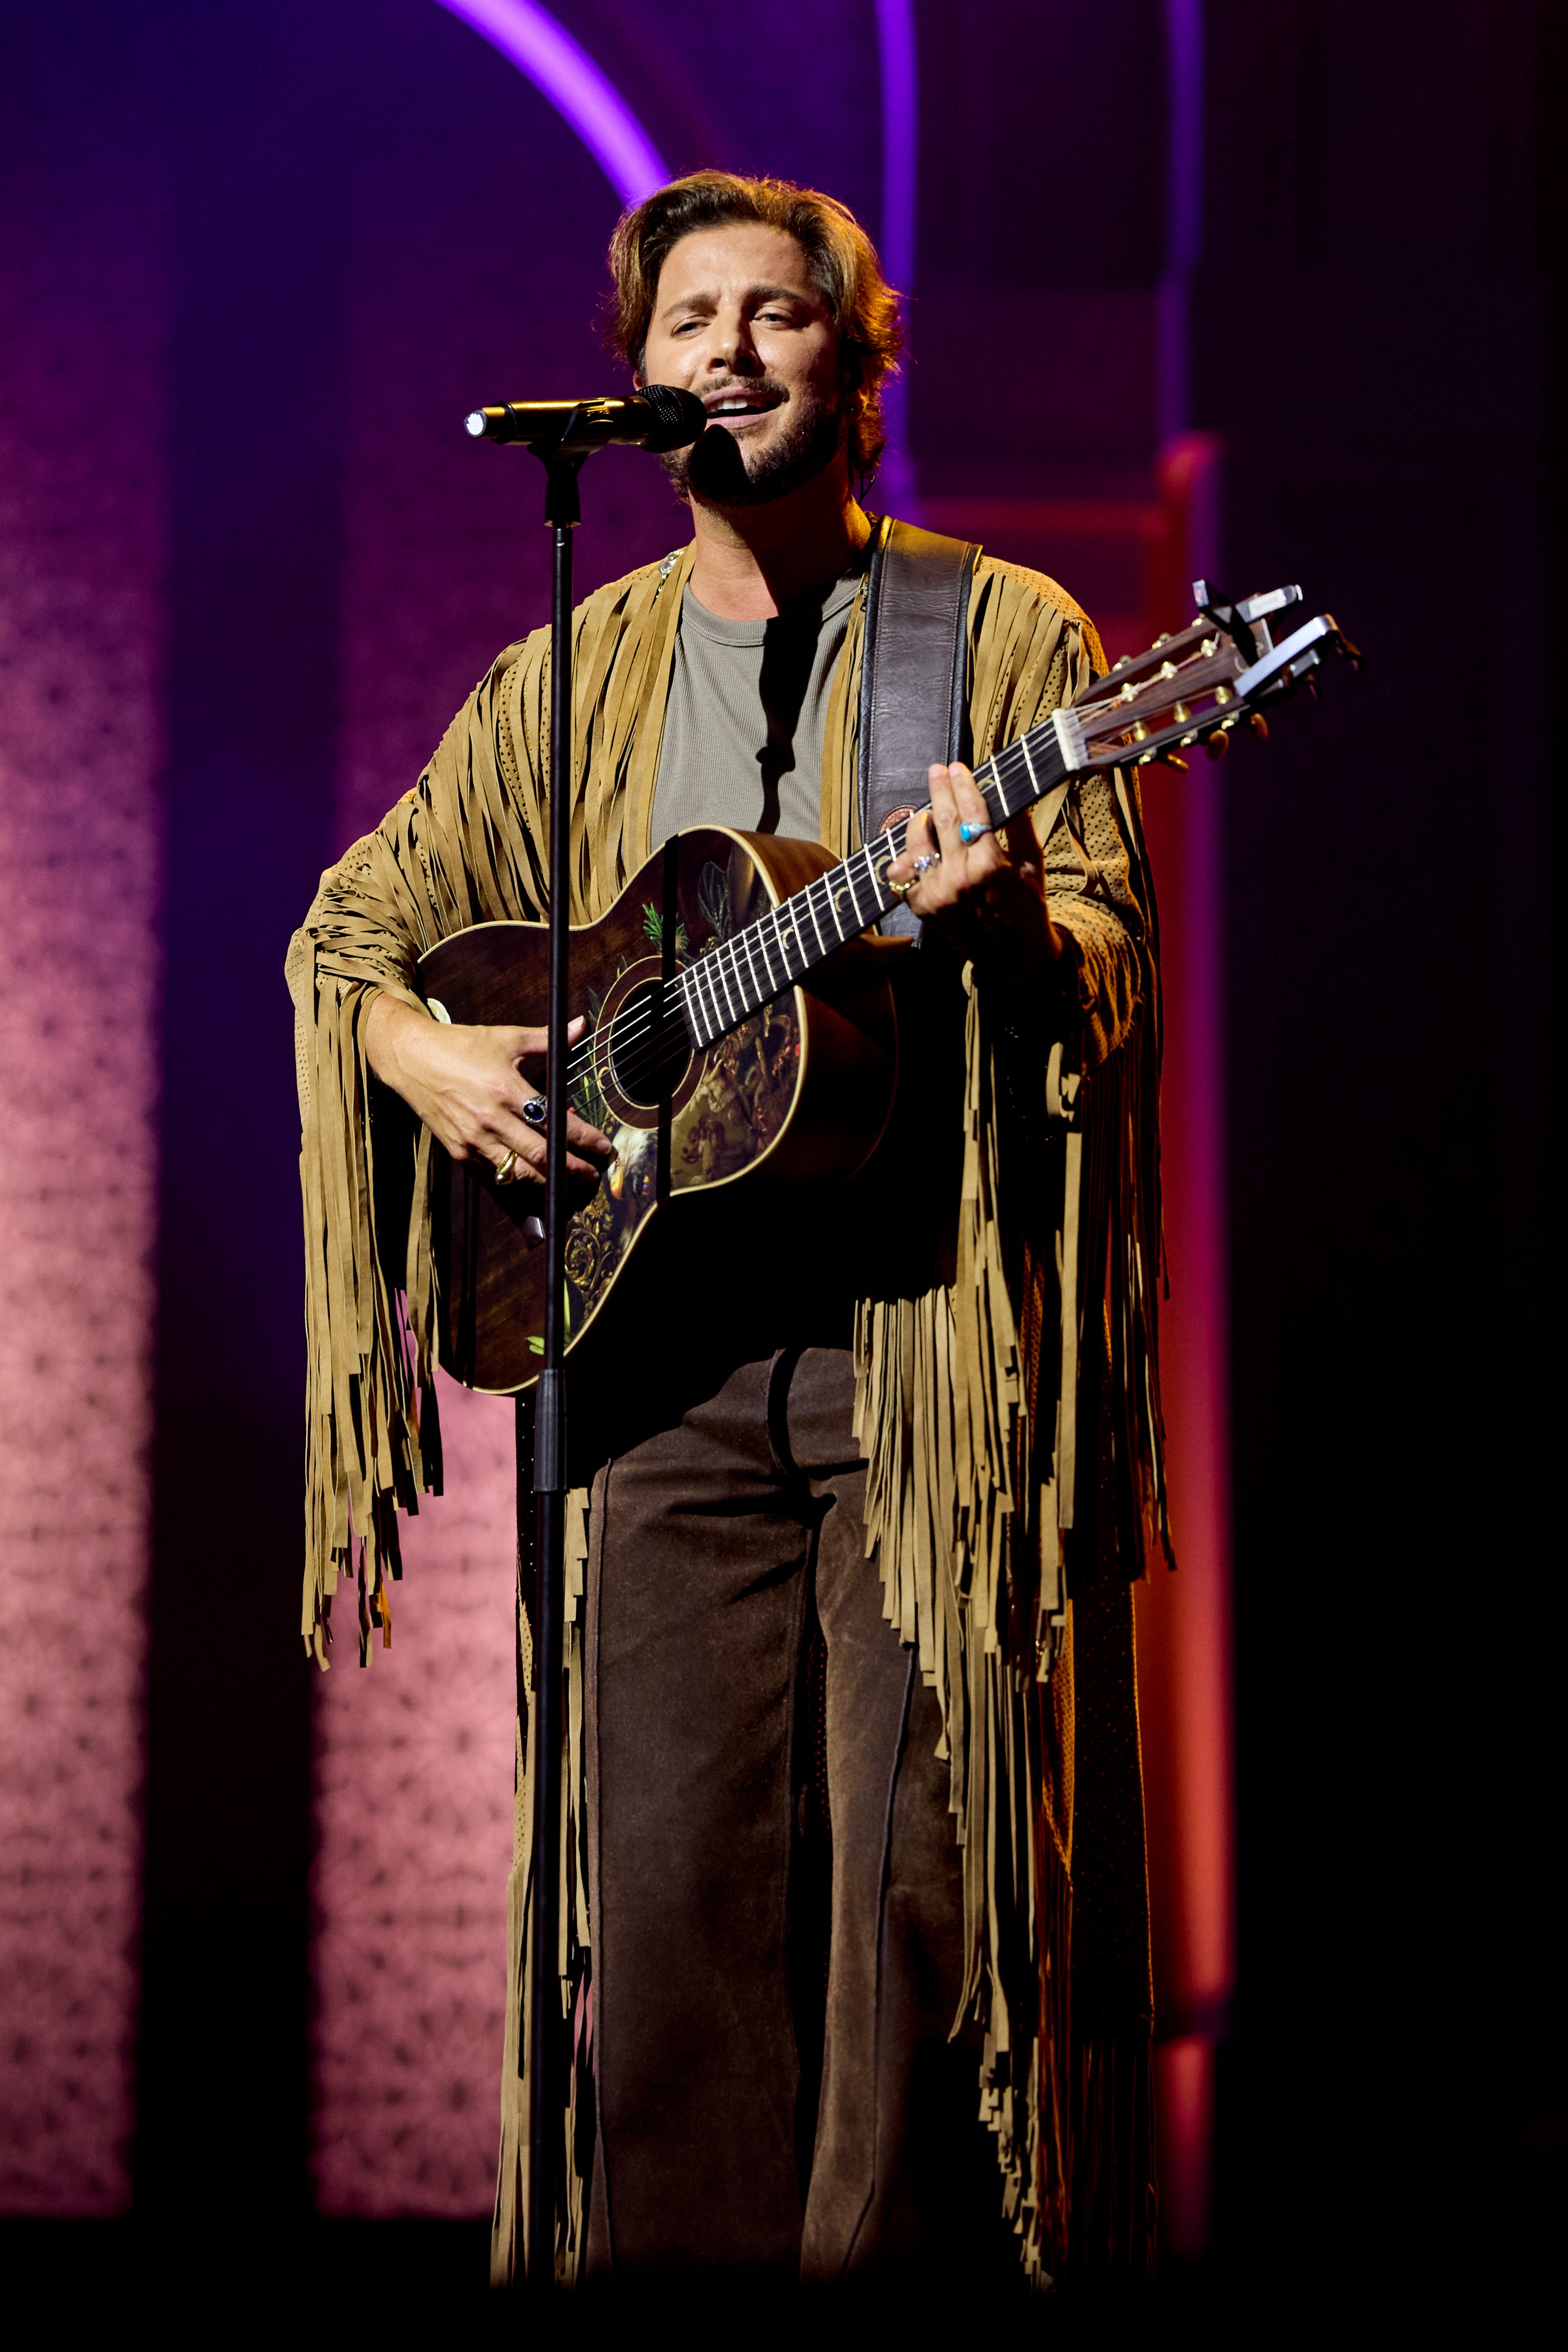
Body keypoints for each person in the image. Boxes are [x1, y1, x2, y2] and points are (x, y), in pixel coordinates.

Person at [287, 171, 1169, 2290]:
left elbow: (1108, 971)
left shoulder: (1005, 637)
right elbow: (352, 940)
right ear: (633, 372)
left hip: (917, 1365)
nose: (729, 354)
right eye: (691, 320)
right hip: (651, 1365)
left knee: (919, 1916)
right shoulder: (568, 679)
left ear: (861, 374)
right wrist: (428, 1061)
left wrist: (1011, 925)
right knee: (666, 1903)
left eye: (780, 316)